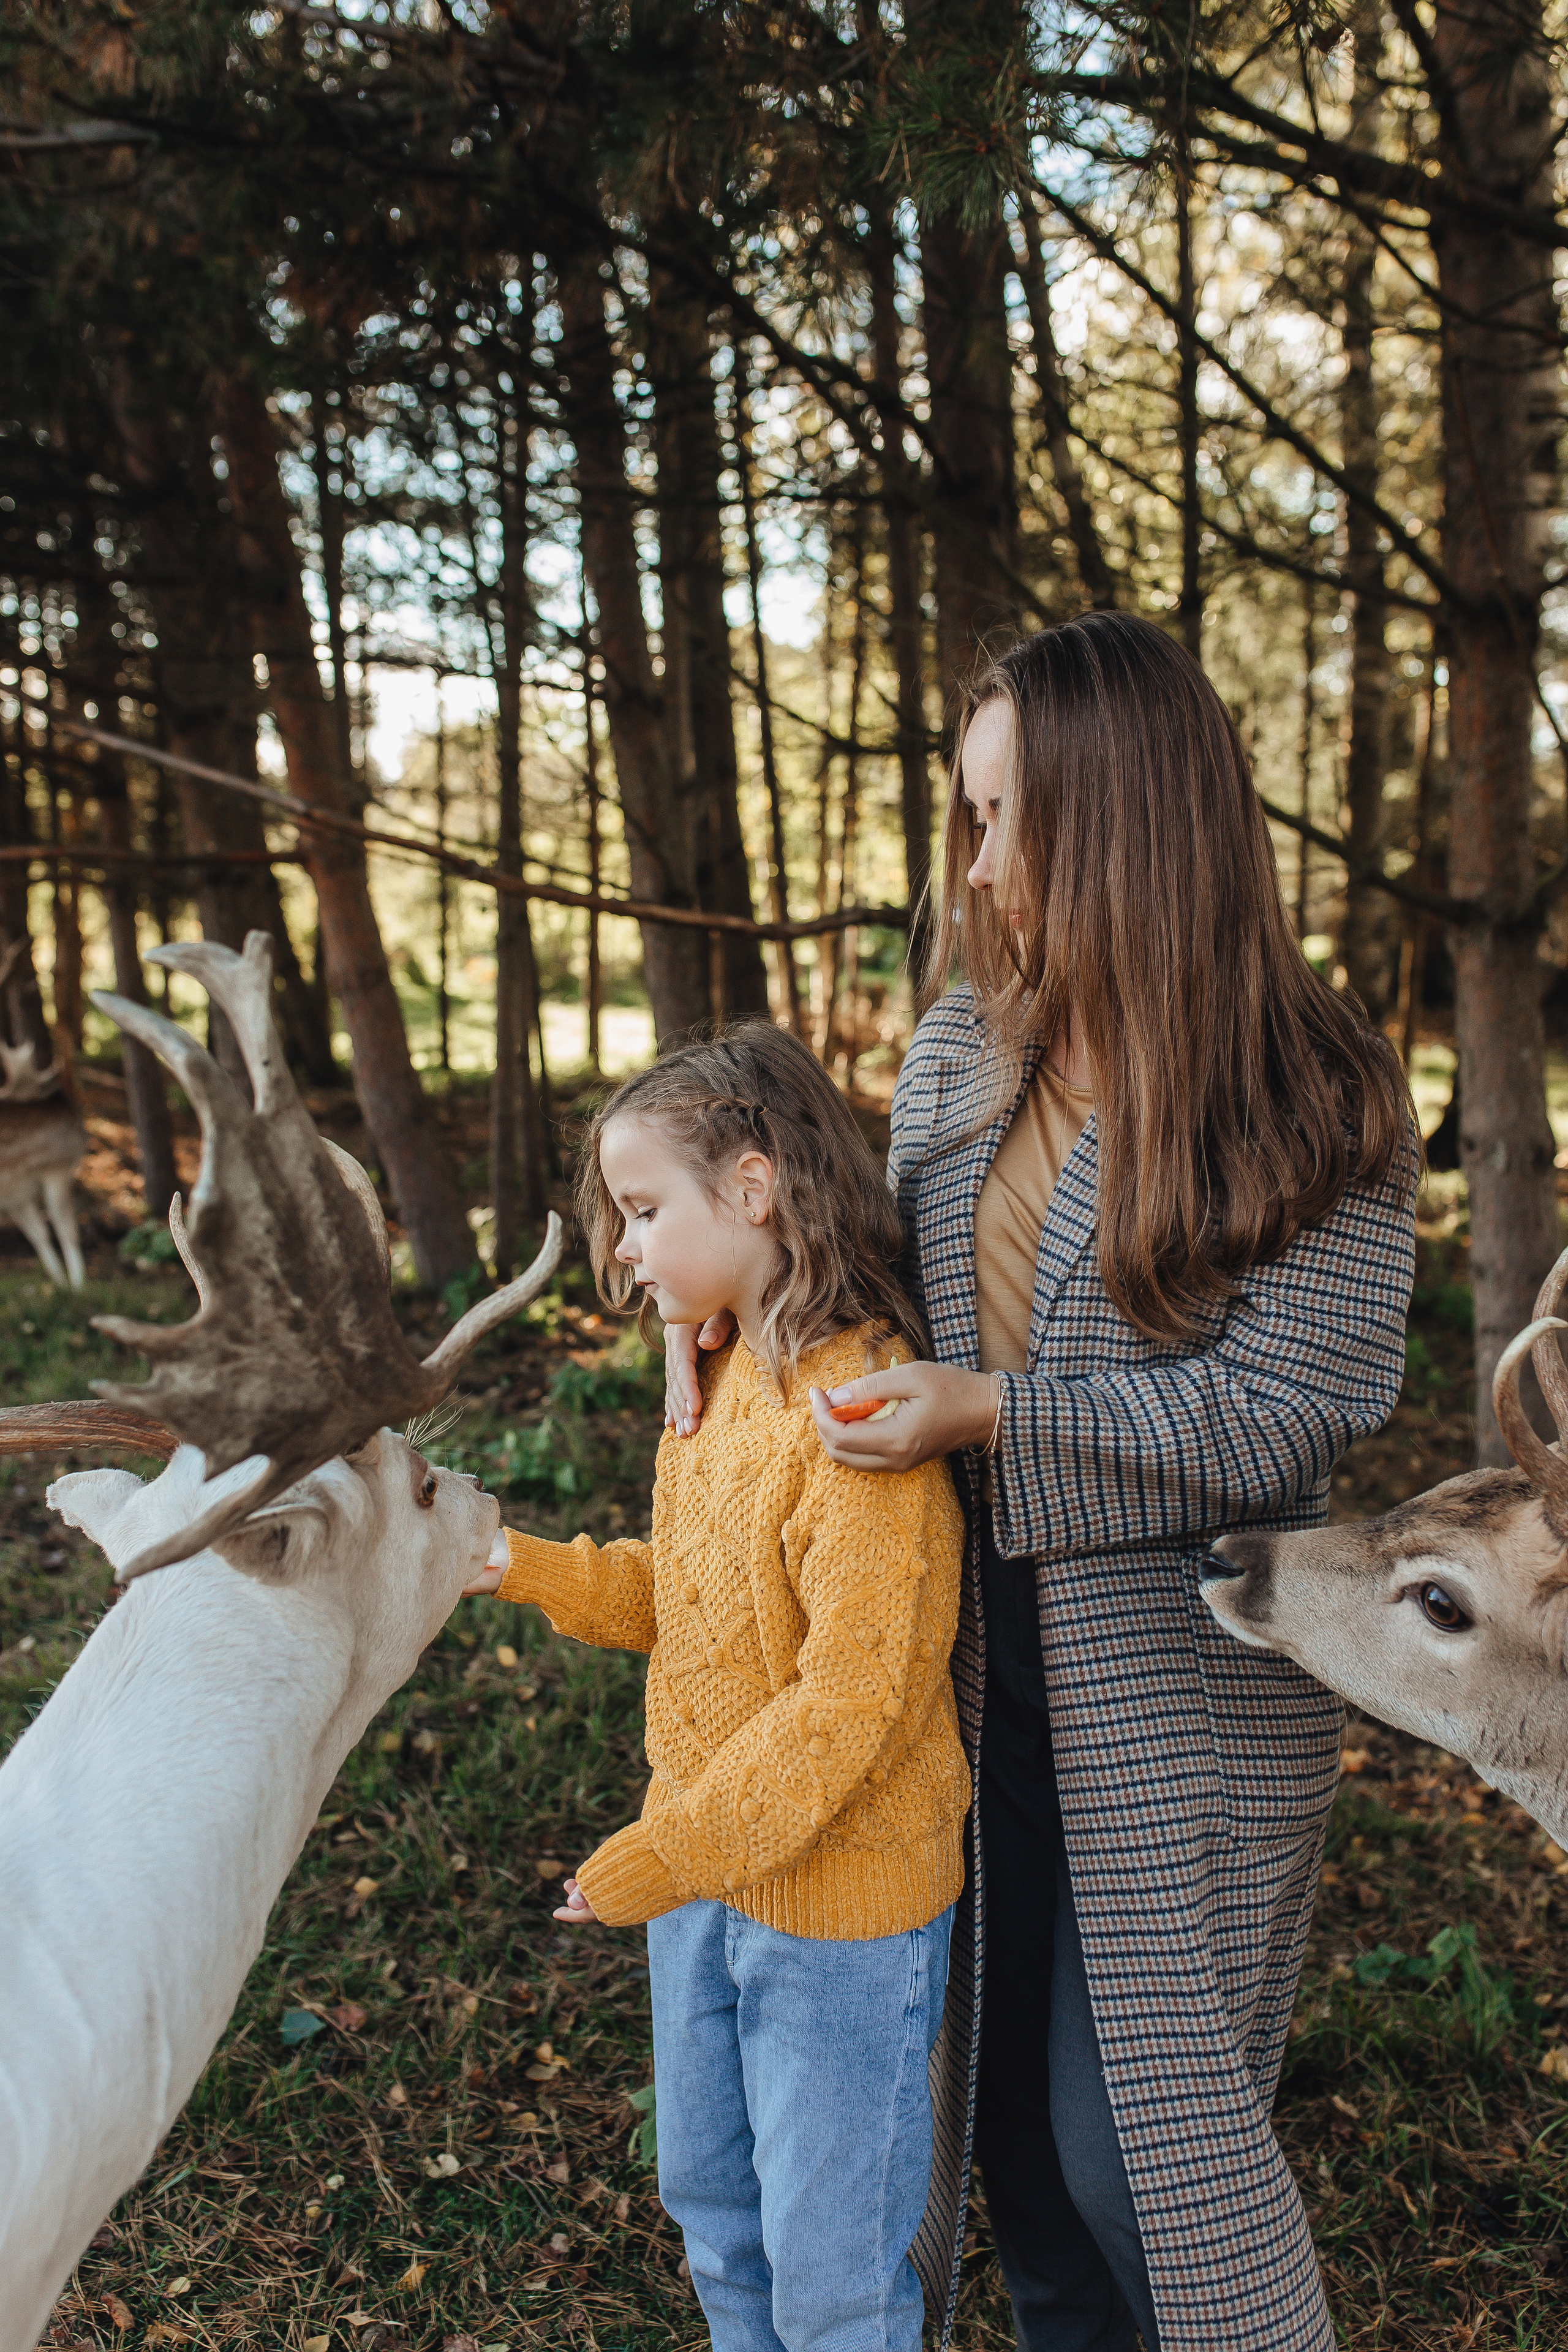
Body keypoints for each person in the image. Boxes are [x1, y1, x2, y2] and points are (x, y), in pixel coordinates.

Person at [664, 612, 1417, 2352]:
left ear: (1126, 818)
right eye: (973, 814)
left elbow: (1290, 1414)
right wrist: (741, 1300)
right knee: (999, 2118)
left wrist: (995, 1416)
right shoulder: (965, 1047)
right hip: (962, 1657)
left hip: (1179, 1682)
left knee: (1138, 2148)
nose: (982, 862)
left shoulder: (1317, 1093)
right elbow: (891, 1293)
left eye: (1008, 817)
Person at [464, 1025, 971, 2352]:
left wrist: (665, 1853)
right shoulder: (721, 1376)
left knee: (832, 2267)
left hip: (839, 1915)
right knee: (712, 2205)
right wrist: (517, 1566)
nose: (627, 1248)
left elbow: (850, 1702)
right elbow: (691, 1595)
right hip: (707, 1878)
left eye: (644, 1210)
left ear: (753, 1189)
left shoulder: (858, 1413)